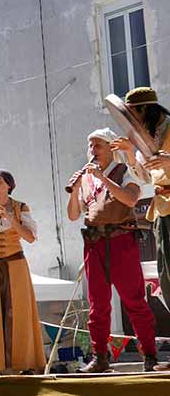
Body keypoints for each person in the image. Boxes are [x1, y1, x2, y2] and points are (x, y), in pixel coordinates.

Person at [67, 128, 158, 372]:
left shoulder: (124, 172)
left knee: (134, 301)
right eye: (90, 146)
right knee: (97, 305)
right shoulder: (86, 179)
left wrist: (103, 178)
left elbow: (130, 200)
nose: (92, 150)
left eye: (97, 145)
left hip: (121, 241)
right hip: (94, 245)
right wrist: (75, 189)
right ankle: (100, 357)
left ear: (110, 148)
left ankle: (149, 355)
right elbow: (74, 215)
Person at [110, 86, 170, 371]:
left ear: (145, 110)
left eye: (133, 115)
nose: (131, 123)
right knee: (167, 281)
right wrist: (131, 155)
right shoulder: (149, 139)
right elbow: (146, 176)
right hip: (162, 210)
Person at [0, 170, 45, 374]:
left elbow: (30, 237)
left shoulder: (20, 207)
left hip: (16, 265)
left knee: (20, 312)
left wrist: (10, 219)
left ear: (8, 185)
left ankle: (24, 363)